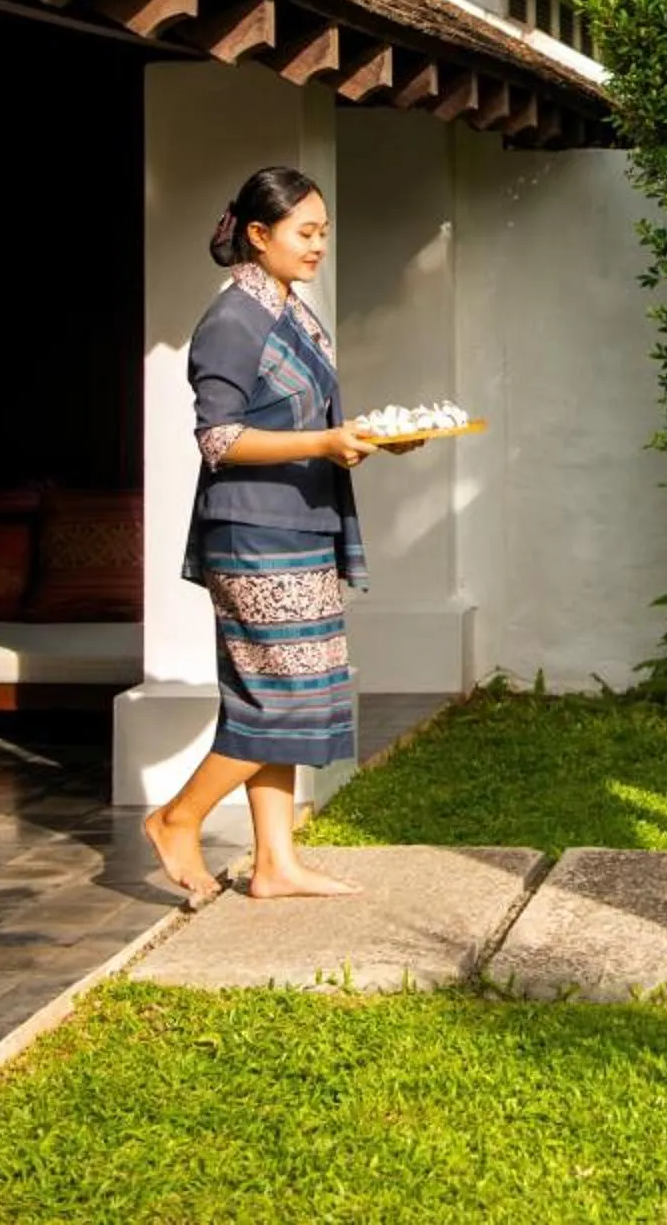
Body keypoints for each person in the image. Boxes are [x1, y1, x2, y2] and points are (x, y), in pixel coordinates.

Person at [141, 166, 416, 905]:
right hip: (254, 533)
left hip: (299, 524)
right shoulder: (233, 320)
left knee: (283, 693)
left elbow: (305, 423)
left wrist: (366, 439)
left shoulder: (293, 309)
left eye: (323, 231)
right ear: (258, 236)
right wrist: (326, 443)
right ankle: (177, 818)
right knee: (284, 699)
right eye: (305, 232)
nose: (318, 244)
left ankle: (274, 864)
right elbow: (219, 439)